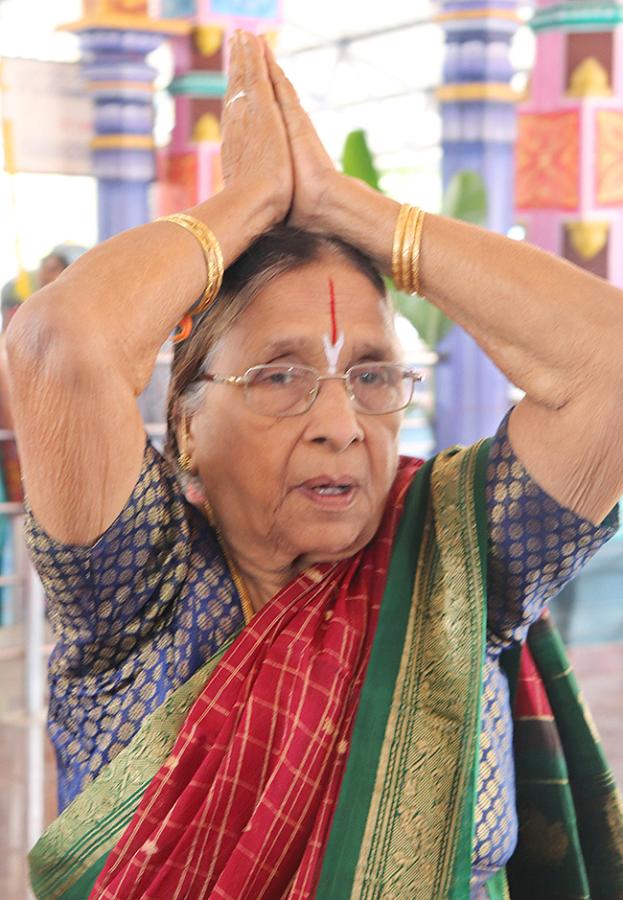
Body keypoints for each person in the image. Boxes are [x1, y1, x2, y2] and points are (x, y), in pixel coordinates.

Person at [7, 30, 623, 900]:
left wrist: (349, 208)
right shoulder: (141, 594)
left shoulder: (454, 565)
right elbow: (56, 342)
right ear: (186, 428)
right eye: (279, 376)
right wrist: (251, 199)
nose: (340, 423)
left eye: (371, 375)